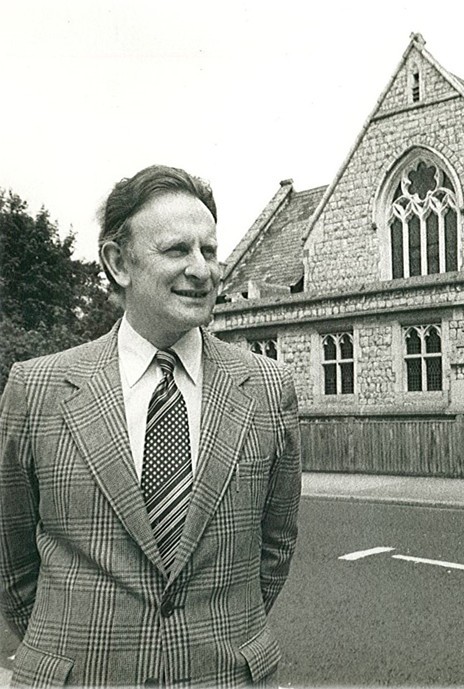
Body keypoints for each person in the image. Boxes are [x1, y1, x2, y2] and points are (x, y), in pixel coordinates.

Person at [0, 165, 302, 687]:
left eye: (209, 250)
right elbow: (10, 558)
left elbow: (274, 550)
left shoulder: (269, 388)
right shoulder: (37, 388)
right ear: (119, 263)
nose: (202, 270)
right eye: (177, 250)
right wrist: (68, 655)